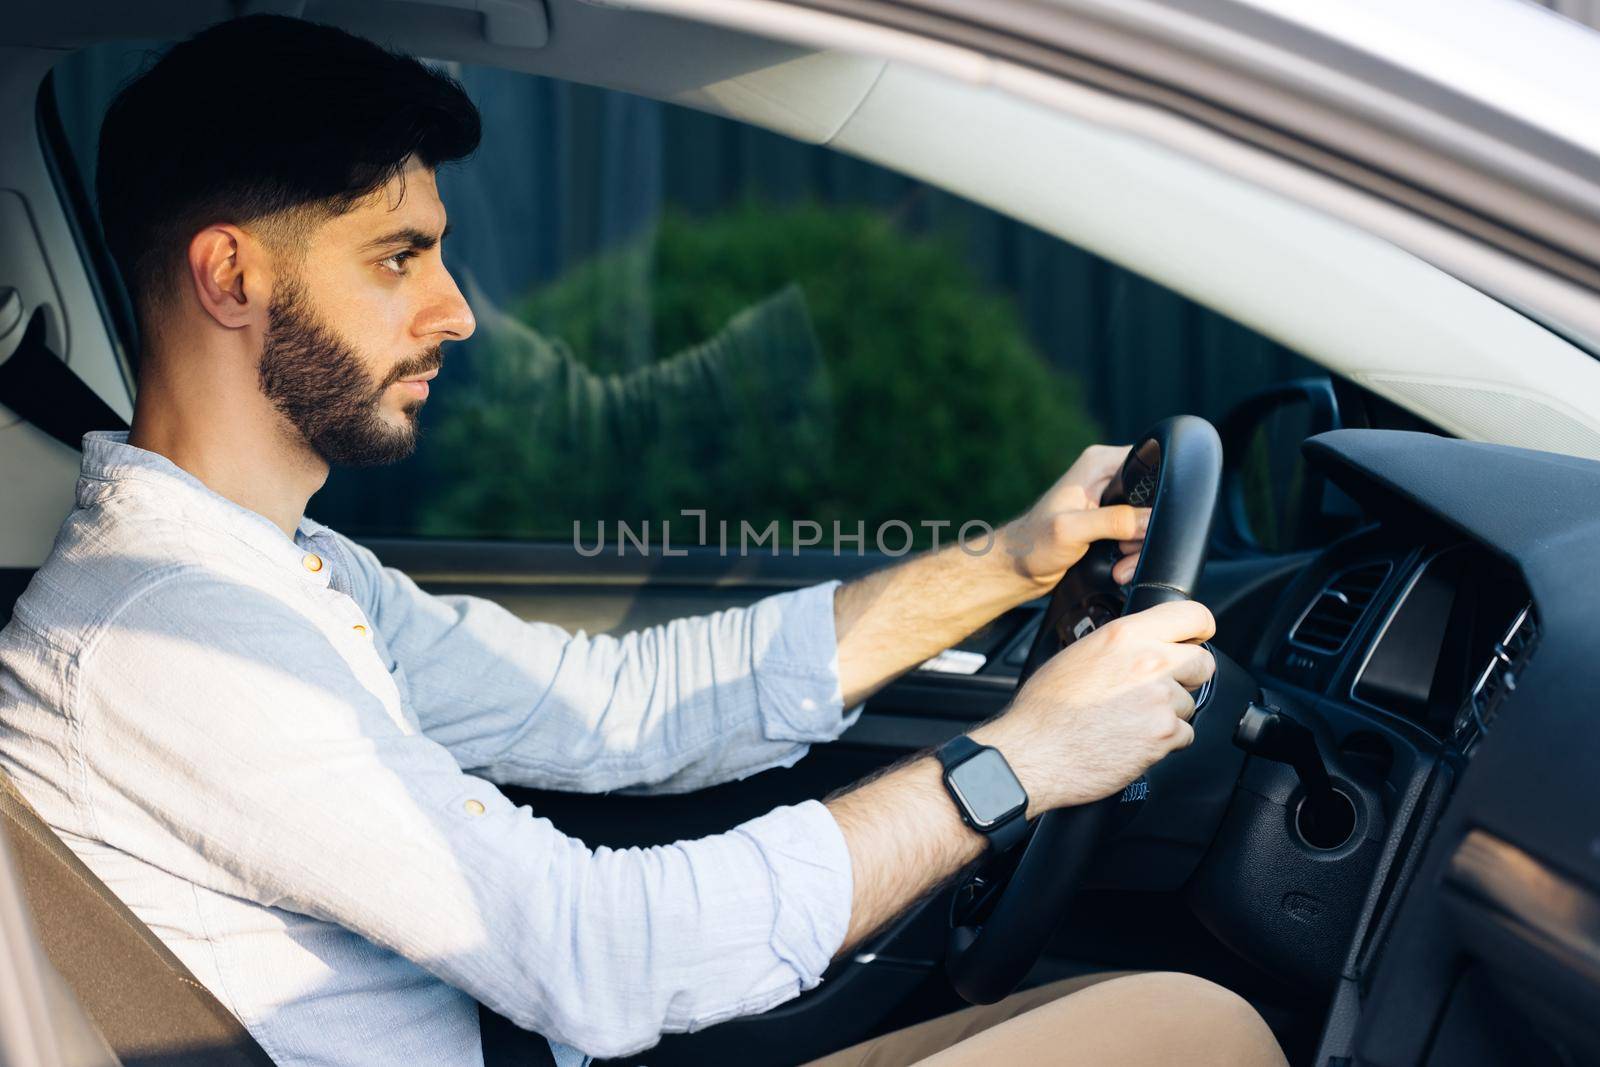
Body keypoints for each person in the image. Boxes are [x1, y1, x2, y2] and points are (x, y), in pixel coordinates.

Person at [0, 14, 1286, 1067]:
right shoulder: (171, 634)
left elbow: (624, 706)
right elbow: (590, 951)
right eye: (401, 257)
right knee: (1190, 1028)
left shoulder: (290, 570)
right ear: (233, 277)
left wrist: (1006, 563)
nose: (456, 311)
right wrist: (1016, 761)